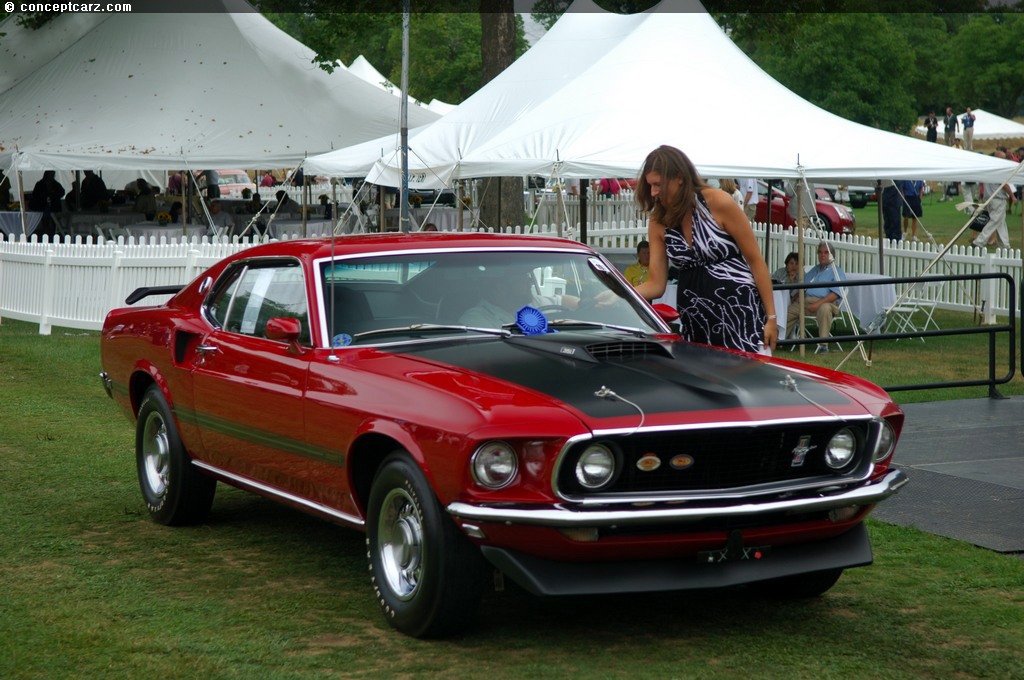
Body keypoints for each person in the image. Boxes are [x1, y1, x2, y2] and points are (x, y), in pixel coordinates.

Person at [631, 145, 777, 354]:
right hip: (696, 322)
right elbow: (656, 283)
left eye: (658, 184)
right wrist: (621, 294)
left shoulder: (718, 202)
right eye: (650, 186)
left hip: (740, 316)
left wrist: (771, 317)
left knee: (748, 381)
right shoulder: (658, 221)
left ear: (679, 177)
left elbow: (755, 260)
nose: (653, 192)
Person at [459, 268, 579, 328]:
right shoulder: (475, 319)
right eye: (522, 278)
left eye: (528, 276)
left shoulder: (534, 302)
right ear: (501, 287)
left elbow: (562, 300)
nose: (530, 281)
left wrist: (588, 303)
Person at [786, 242, 845, 354]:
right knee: (789, 311)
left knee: (825, 308)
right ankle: (777, 339)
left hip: (827, 303)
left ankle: (823, 345)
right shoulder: (815, 270)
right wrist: (797, 296)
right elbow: (804, 286)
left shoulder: (837, 272)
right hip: (807, 303)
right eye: (820, 252)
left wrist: (817, 305)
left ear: (832, 255)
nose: (822, 255)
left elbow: (835, 295)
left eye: (826, 252)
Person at [972, 150, 1018, 249]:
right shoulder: (999, 169)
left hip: (990, 198)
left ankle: (1005, 245)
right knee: (995, 221)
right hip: (998, 199)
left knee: (1001, 222)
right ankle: (979, 242)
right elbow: (1004, 184)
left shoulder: (990, 168)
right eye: (1003, 158)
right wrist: (1012, 196)